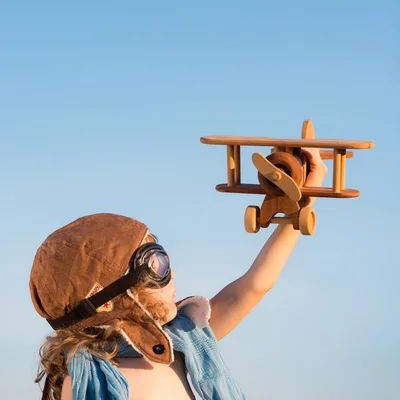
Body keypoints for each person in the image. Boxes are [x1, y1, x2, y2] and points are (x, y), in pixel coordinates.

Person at [30, 147, 328, 400]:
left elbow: (252, 287)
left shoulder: (183, 341)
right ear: (109, 297)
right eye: (156, 266)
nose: (172, 275)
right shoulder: (89, 381)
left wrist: (300, 206)